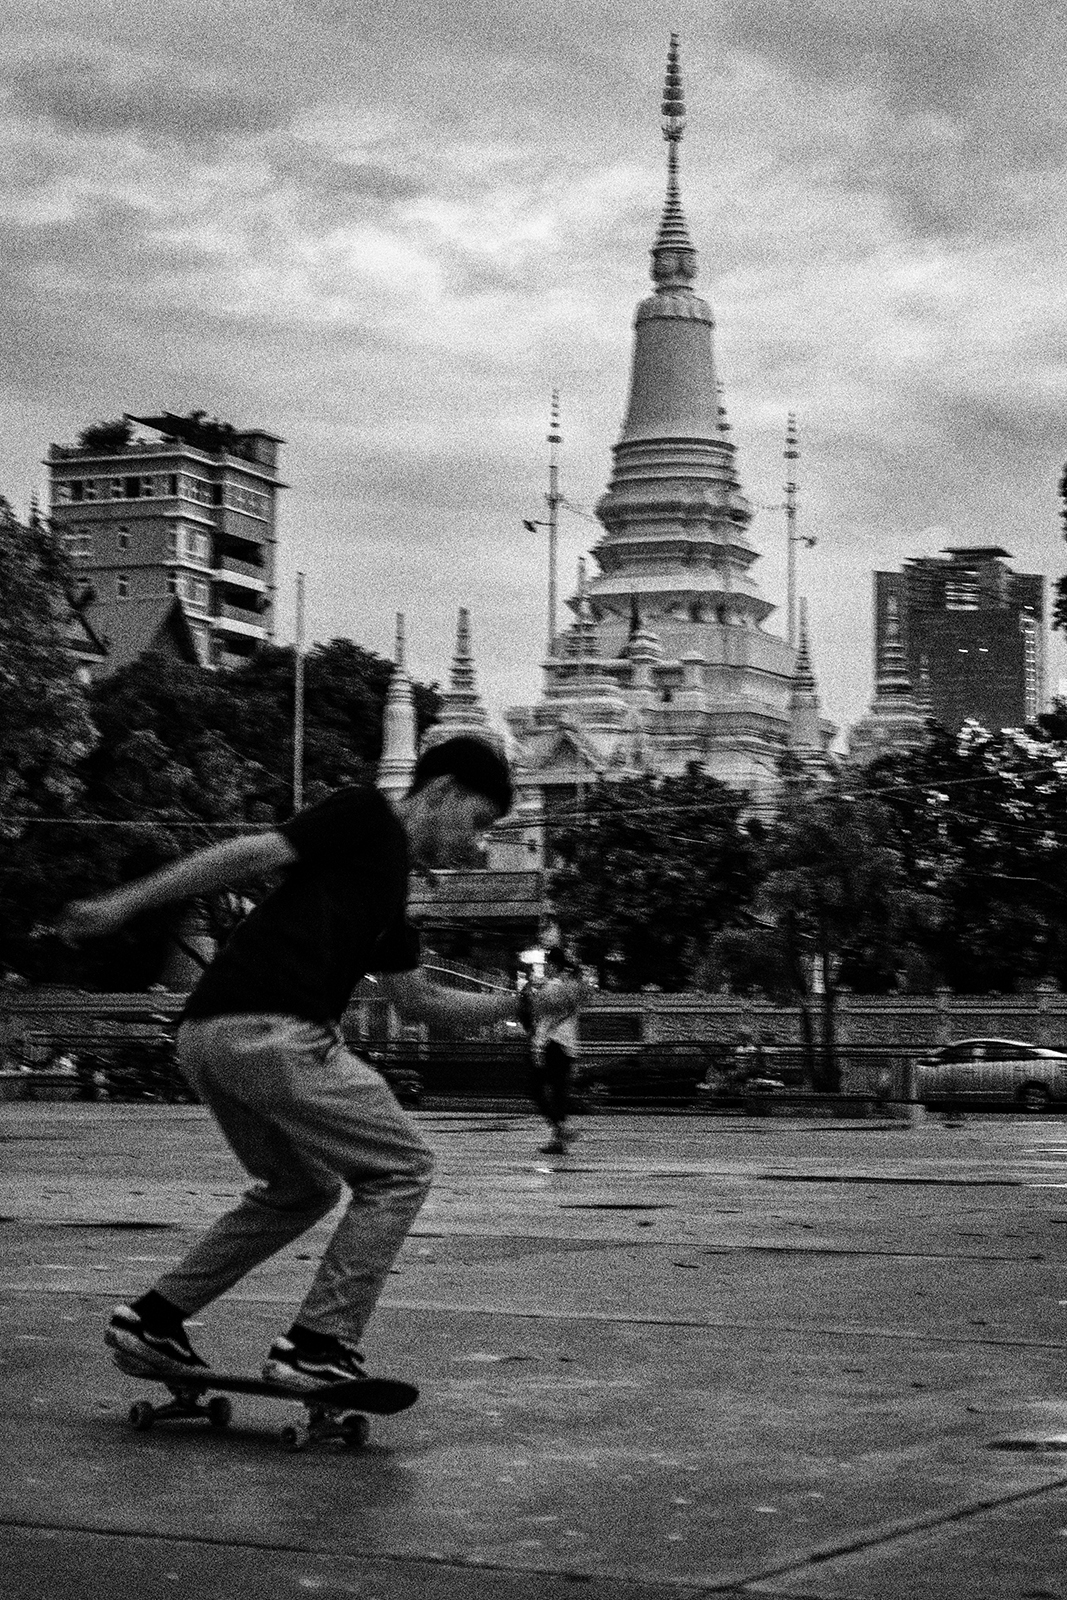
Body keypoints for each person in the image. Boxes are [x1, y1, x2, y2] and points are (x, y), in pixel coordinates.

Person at [55, 735, 582, 1391]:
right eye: (475, 822)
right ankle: (316, 1345)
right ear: (441, 791)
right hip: (273, 1030)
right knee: (402, 1168)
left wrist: (525, 1005)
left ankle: (155, 1318)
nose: (473, 844)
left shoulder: (390, 890)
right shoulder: (366, 815)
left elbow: (416, 999)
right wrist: (127, 901)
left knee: (301, 1190)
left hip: (210, 1035)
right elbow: (251, 853)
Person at [530, 947, 581, 1155]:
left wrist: (537, 1046)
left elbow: (544, 1022)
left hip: (552, 1045)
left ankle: (561, 1130)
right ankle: (559, 1139)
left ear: (552, 965)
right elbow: (574, 1023)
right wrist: (575, 1052)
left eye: (546, 964)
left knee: (535, 1088)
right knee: (559, 1093)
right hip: (567, 1047)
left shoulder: (550, 989)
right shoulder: (572, 989)